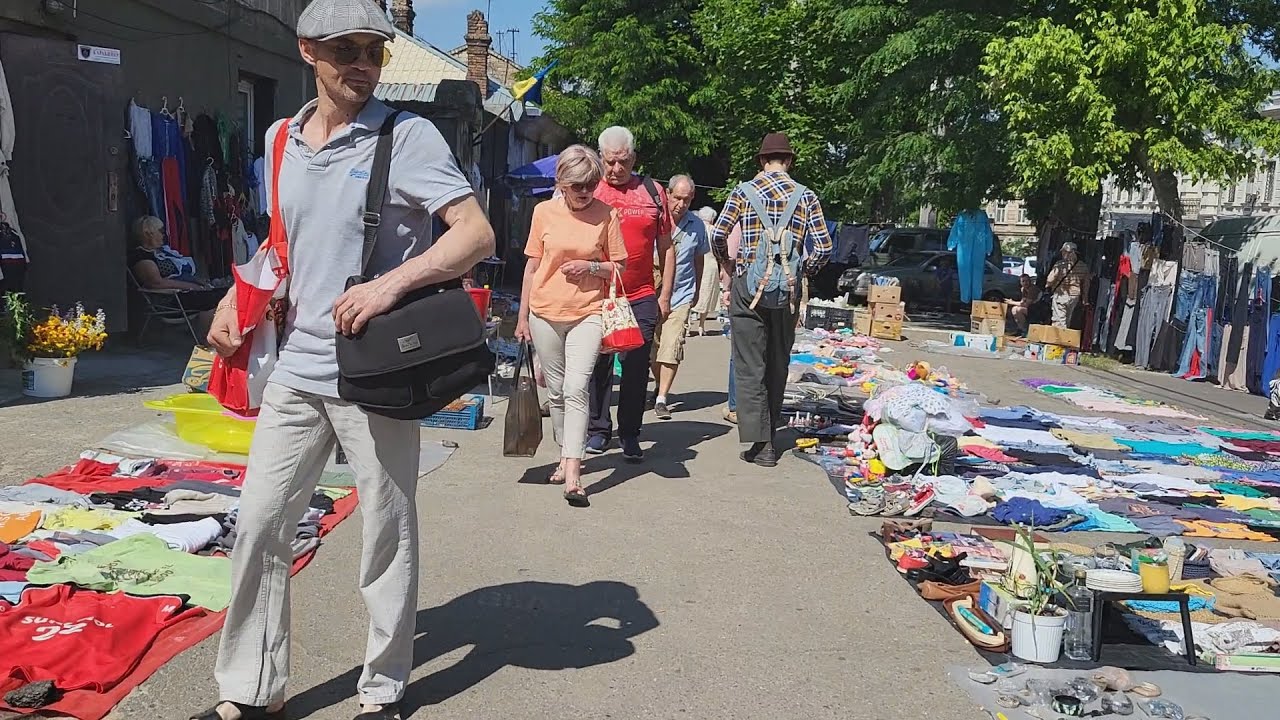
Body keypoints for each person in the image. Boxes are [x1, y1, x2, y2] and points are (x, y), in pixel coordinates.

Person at [193, 2, 495, 719]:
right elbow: (282, 241)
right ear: (307, 52)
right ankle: (250, 691)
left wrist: (391, 283)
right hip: (296, 366)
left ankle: (384, 691)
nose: (362, 62)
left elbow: (475, 234)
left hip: (377, 371)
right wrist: (236, 300)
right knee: (261, 523)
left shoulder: (408, 136)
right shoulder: (278, 138)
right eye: (345, 50)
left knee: (386, 532)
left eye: (373, 50)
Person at [711, 132, 831, 467]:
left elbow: (719, 234)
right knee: (778, 362)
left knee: (750, 365)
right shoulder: (806, 197)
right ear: (789, 161)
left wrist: (730, 265)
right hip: (788, 291)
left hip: (748, 286)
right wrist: (801, 272)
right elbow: (823, 248)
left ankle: (760, 444)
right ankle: (772, 435)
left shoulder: (743, 192)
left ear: (762, 161)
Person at [515, 146, 625, 507]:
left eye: (592, 184)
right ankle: (564, 453)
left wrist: (590, 267)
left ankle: (574, 474)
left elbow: (619, 268)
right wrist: (521, 317)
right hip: (544, 312)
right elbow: (532, 268)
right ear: (562, 182)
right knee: (558, 390)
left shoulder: (608, 215)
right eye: (578, 185)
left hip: (588, 312)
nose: (585, 192)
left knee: (578, 388)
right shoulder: (543, 212)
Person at [584, 126, 675, 461]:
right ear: (600, 158)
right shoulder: (591, 190)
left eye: (622, 162)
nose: (615, 169)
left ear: (633, 158)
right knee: (598, 361)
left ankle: (630, 433)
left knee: (636, 365)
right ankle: (598, 429)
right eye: (609, 162)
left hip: (640, 293)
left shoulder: (653, 192)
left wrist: (665, 294)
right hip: (597, 294)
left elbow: (666, 247)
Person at [649, 174, 707, 419]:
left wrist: (697, 290)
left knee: (672, 346)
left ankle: (662, 398)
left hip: (680, 295)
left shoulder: (697, 226)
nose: (681, 204)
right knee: (653, 350)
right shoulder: (653, 219)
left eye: (686, 199)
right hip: (649, 294)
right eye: (677, 198)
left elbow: (699, 259)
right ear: (667, 195)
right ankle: (657, 385)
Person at [690, 206, 723, 336]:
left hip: (694, 263)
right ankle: (701, 325)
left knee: (691, 291)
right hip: (711, 264)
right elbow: (720, 251)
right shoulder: (715, 231)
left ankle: (687, 323)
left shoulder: (695, 228)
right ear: (712, 218)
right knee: (707, 294)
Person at [1046, 241, 1088, 329]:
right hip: (1075, 296)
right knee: (1067, 319)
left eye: (1063, 251)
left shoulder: (1060, 265)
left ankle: (1059, 340)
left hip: (1061, 295)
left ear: (1067, 252)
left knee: (1059, 320)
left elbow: (1050, 279)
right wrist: (1084, 298)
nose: (1062, 253)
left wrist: (1047, 285)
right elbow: (1086, 284)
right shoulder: (1083, 266)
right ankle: (1064, 337)